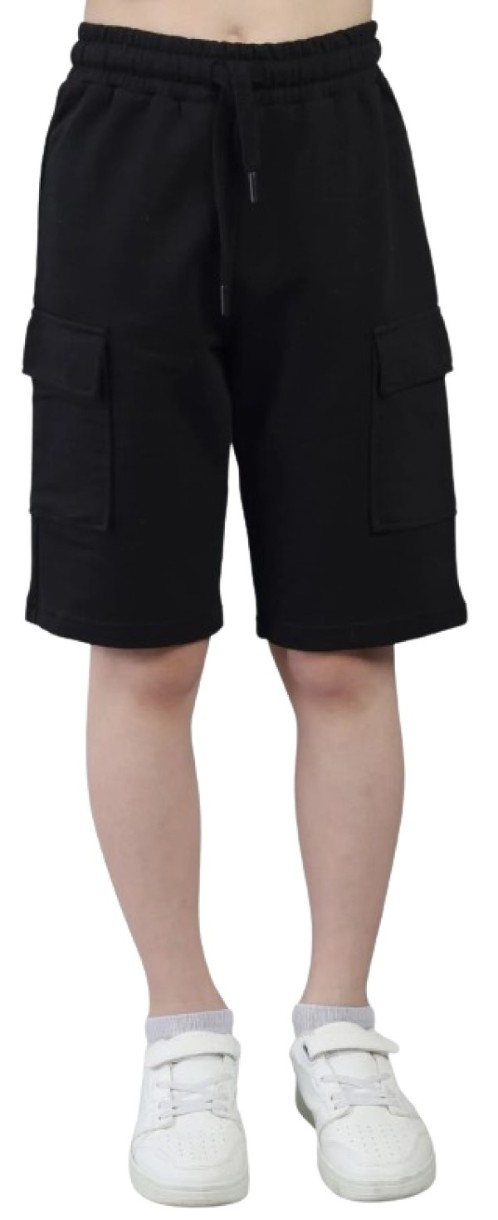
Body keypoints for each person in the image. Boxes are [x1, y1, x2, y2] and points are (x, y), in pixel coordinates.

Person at [21, 0, 467, 1206]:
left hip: (335, 123)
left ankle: (340, 1025)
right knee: (146, 643)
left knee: (343, 645)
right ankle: (183, 1033)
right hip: (127, 122)